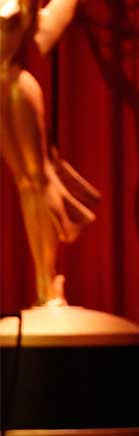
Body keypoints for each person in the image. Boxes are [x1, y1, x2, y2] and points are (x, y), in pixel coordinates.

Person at [0, 0, 99, 306]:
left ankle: (49, 281)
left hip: (17, 87)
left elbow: (48, 21)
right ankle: (44, 285)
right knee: (24, 185)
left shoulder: (19, 5)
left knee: (38, 178)